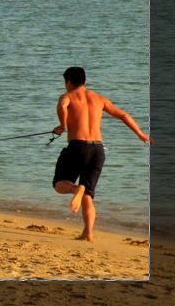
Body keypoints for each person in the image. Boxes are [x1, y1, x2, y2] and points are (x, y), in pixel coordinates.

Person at [51, 66, 151, 242]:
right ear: (85, 81)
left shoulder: (67, 96)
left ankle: (76, 189)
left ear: (68, 82)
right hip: (98, 150)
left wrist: (62, 125)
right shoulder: (99, 99)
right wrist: (141, 134)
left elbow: (62, 105)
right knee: (88, 195)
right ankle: (88, 233)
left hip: (77, 147)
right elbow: (123, 115)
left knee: (59, 184)